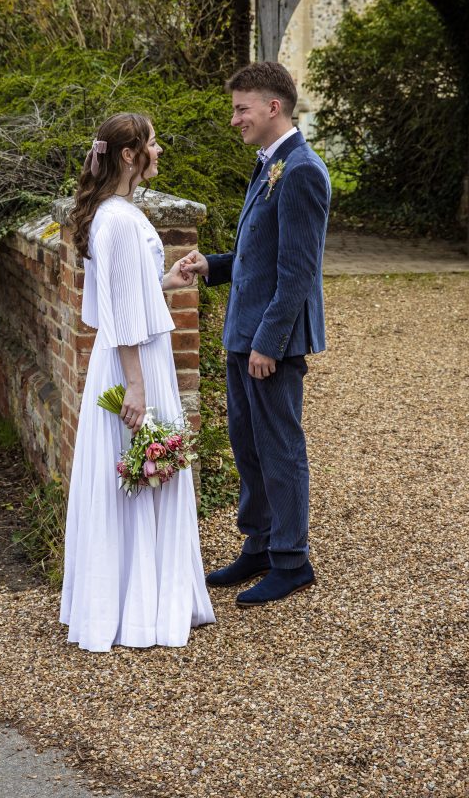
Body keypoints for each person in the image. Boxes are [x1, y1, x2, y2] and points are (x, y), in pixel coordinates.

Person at [59, 111, 215, 651]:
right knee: (138, 470)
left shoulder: (113, 212)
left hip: (134, 355)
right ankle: (138, 610)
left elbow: (130, 293)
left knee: (136, 474)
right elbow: (122, 314)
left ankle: (135, 598)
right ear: (130, 155)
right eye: (153, 142)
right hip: (135, 362)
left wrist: (164, 282)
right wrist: (137, 386)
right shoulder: (120, 220)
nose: (160, 150)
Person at [181, 62, 331, 607]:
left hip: (271, 342)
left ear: (273, 108)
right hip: (242, 334)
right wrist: (213, 265)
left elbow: (297, 272)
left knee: (280, 447)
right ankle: (261, 546)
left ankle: (292, 561)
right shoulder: (268, 164)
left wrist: (268, 343)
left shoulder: (303, 171)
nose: (233, 119)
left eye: (241, 108)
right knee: (248, 446)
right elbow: (259, 253)